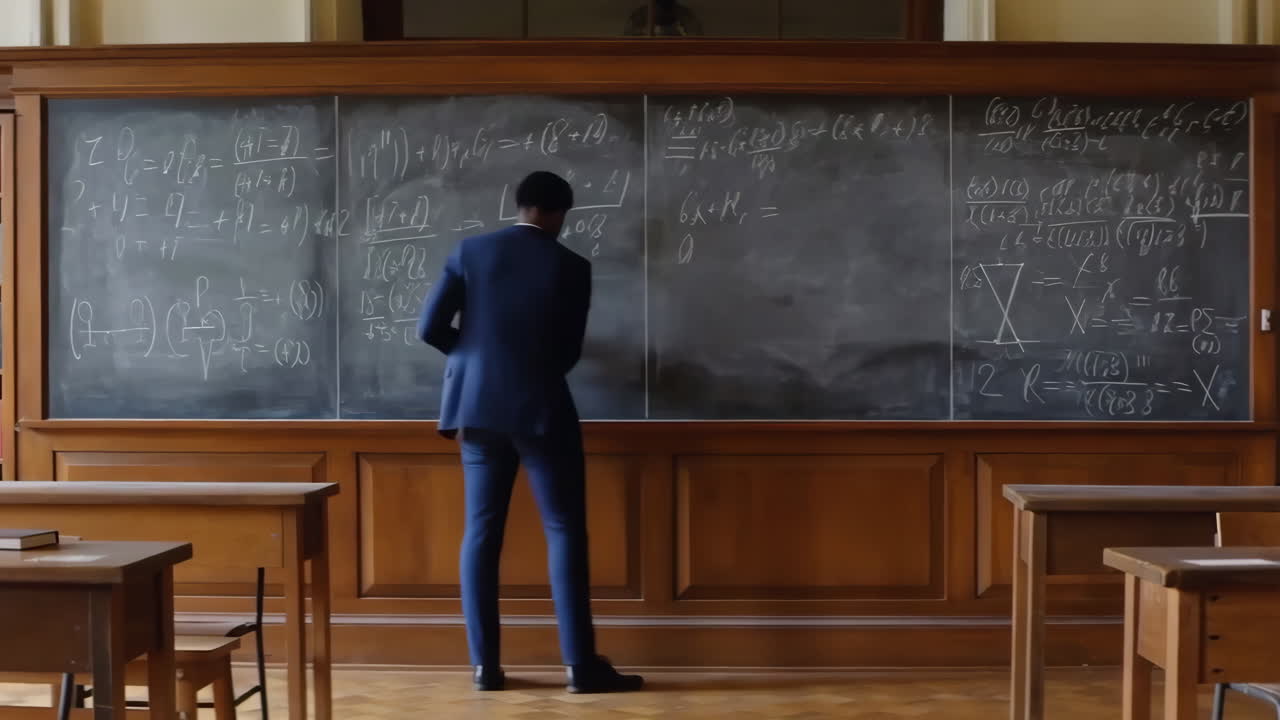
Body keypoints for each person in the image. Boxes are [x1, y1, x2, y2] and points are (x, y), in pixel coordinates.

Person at [417, 170, 644, 694]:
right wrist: (524, 368)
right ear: (559, 213)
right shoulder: (571, 266)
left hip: (475, 410)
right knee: (564, 530)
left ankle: (486, 668)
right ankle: (580, 667)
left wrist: (476, 359)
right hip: (542, 410)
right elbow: (567, 352)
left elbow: (429, 329)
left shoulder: (470, 251)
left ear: (520, 205)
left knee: (481, 533)